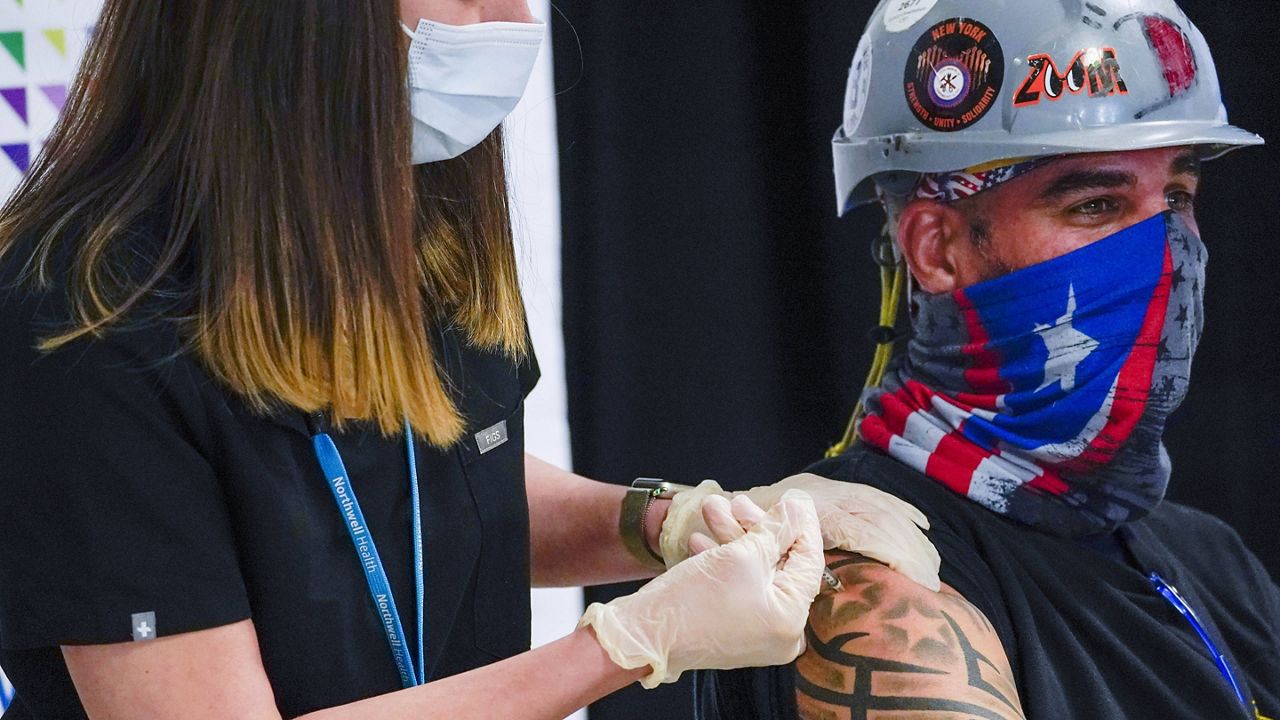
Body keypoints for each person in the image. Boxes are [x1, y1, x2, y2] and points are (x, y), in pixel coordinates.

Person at [0, 1, 946, 718]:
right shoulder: (83, 319)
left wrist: (661, 520)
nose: (510, 25)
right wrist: (627, 641)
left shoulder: (421, 229)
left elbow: (457, 477)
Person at [694, 0, 1280, 718]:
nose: (1168, 253)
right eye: (1096, 205)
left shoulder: (1211, 558)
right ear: (937, 250)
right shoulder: (855, 569)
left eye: (1179, 196)